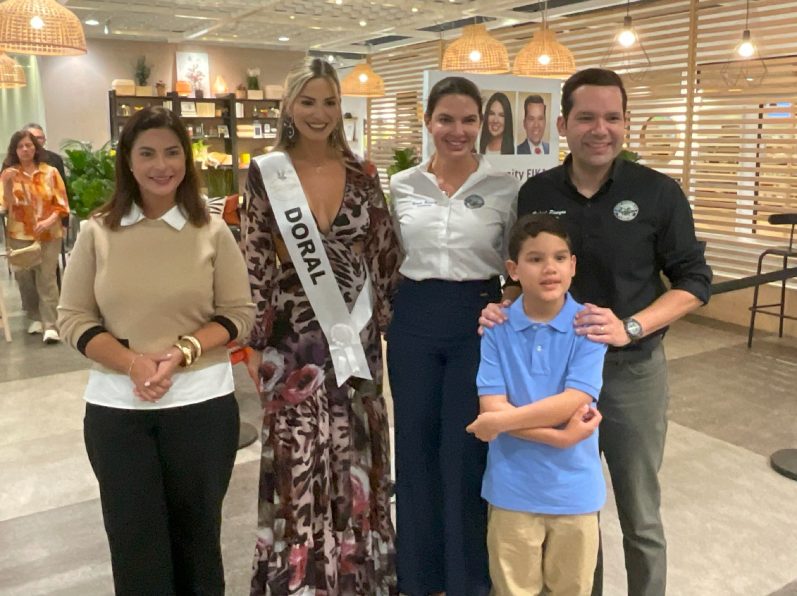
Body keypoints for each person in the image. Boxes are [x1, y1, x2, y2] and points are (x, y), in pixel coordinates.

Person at [480, 68, 712, 596]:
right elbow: (523, 272)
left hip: (631, 374)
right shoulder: (537, 191)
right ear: (563, 124)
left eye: (612, 117)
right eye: (586, 117)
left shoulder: (657, 193)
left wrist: (630, 327)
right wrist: (502, 305)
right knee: (577, 512)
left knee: (640, 513)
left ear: (626, 123)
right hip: (552, 379)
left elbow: (695, 282)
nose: (600, 129)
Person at [57, 106, 254, 595]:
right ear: (128, 160)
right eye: (147, 153)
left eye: (172, 152)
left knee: (198, 543)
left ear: (187, 159)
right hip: (118, 412)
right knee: (135, 547)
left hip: (202, 407)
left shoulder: (212, 230)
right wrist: (133, 364)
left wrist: (183, 351)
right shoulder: (97, 231)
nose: (161, 165)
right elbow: (73, 317)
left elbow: (239, 314)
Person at [243, 57, 401, 595]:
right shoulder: (266, 172)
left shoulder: (363, 174)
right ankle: (302, 580)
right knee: (298, 456)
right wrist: (252, 344)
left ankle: (357, 578)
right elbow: (256, 259)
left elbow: (385, 252)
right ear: (288, 106)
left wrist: (387, 323)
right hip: (291, 342)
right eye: (307, 101)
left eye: (329, 102)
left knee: (356, 448)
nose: (319, 112)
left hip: (356, 337)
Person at [388, 76, 519, 596]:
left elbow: (516, 266)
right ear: (428, 122)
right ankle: (418, 577)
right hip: (414, 318)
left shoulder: (504, 187)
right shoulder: (402, 185)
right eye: (446, 119)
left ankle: (467, 580)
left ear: (482, 123)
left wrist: (506, 304)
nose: (457, 130)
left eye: (468, 120)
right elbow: (387, 257)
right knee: (414, 445)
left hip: (477, 321)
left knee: (466, 448)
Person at [466, 214, 606, 596]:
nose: (549, 268)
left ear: (573, 265)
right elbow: (491, 406)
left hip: (575, 491)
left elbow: (573, 401)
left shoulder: (589, 325)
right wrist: (560, 436)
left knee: (573, 588)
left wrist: (500, 423)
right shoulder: (495, 328)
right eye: (535, 259)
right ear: (513, 269)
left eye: (559, 258)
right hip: (512, 489)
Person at [1, 129, 68, 342]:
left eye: (29, 145)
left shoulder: (50, 172)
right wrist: (8, 184)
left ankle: (51, 324)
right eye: (20, 146)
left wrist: (48, 221)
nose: (25, 149)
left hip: (49, 232)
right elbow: (6, 204)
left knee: (47, 277)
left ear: (36, 148)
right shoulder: (9, 173)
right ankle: (34, 316)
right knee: (23, 276)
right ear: (14, 150)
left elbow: (62, 204)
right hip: (19, 233)